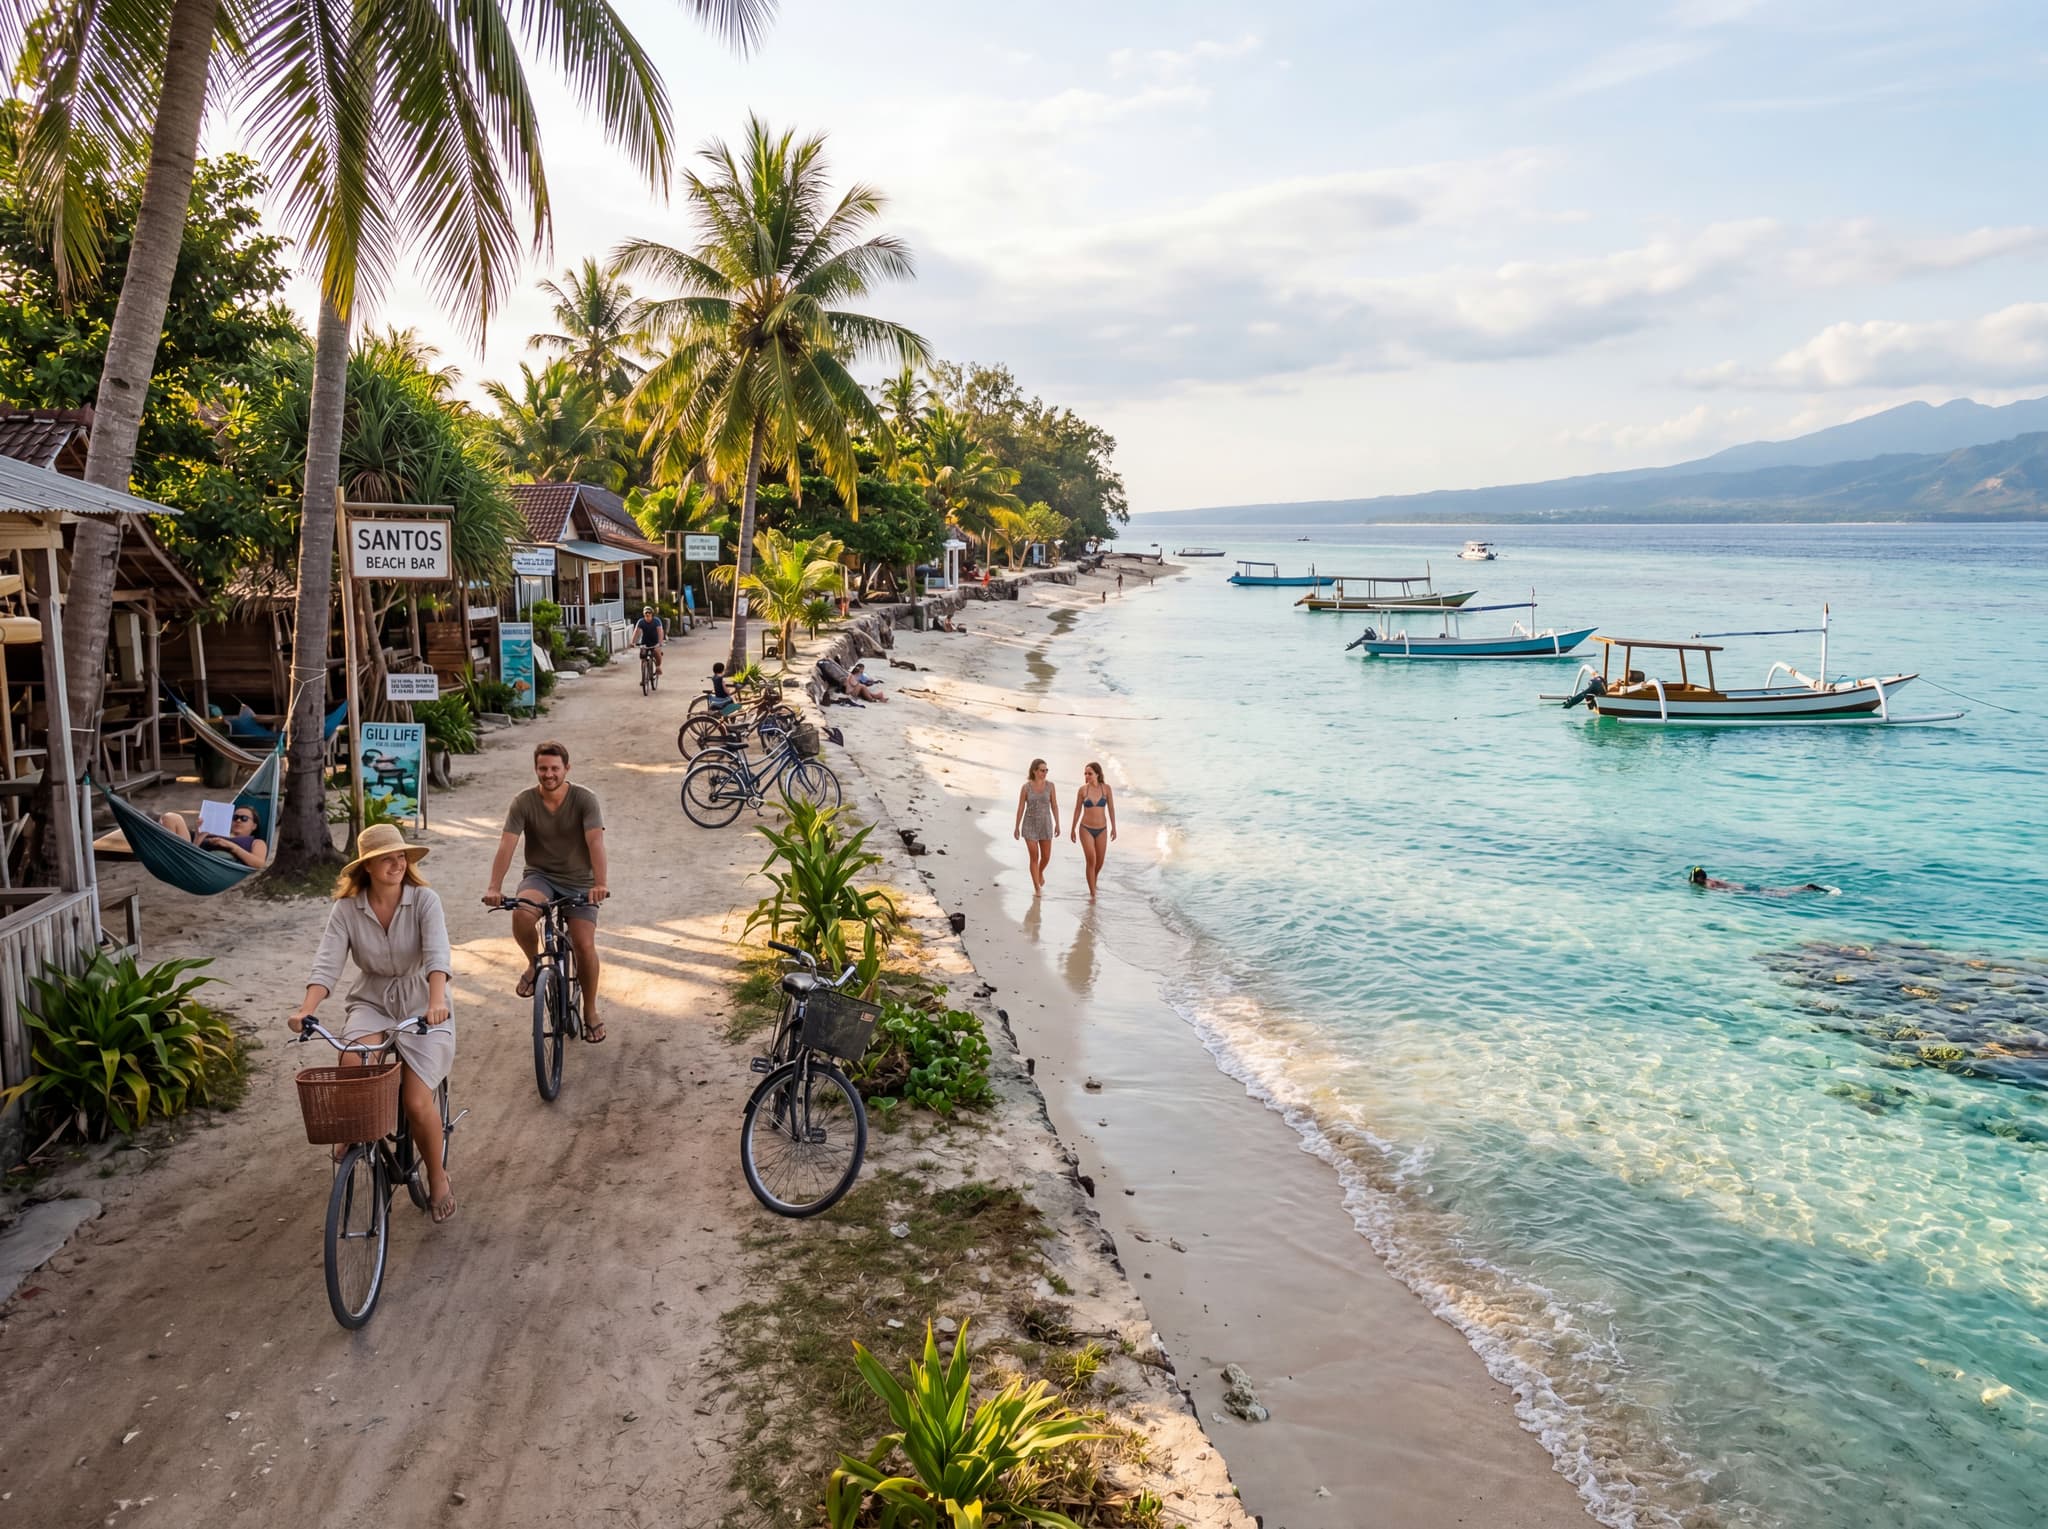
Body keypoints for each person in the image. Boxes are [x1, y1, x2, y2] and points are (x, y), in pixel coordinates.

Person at [288, 823, 456, 1222]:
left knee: (416, 1101)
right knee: (352, 1061)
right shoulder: (347, 909)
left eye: (401, 857)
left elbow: (437, 957)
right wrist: (305, 1008)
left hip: (423, 1000)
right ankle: (356, 1130)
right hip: (373, 998)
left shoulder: (425, 901)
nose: (397, 864)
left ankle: (438, 1175)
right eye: (387, 858)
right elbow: (327, 963)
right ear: (367, 867)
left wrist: (436, 1003)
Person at [484, 741, 612, 1041]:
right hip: (540, 876)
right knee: (522, 914)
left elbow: (596, 842)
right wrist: (494, 887)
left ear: (567, 768)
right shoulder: (523, 802)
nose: (549, 774)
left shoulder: (585, 800)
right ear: (535, 769)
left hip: (580, 880)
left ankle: (590, 1010)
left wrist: (600, 884)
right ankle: (533, 963)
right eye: (543, 768)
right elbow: (507, 844)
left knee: (583, 943)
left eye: (555, 768)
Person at [158, 804, 267, 869]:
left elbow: (258, 864)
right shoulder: (216, 831)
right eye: (235, 817)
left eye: (244, 818)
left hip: (203, 867)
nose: (238, 820)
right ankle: (167, 859)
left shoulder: (256, 842)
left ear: (254, 826)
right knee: (170, 818)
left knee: (172, 818)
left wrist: (231, 846)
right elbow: (193, 847)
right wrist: (198, 836)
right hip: (188, 855)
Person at [1068, 761, 1117, 899]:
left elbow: (1111, 809)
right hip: (1086, 829)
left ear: (1097, 774)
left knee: (1099, 862)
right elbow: (1077, 810)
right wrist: (1072, 828)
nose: (1087, 776)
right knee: (1091, 860)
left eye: (1090, 773)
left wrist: (1114, 827)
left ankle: (1093, 880)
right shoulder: (1083, 790)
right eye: (1085, 773)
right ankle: (1093, 895)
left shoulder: (1106, 789)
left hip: (1102, 829)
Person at [1013, 757, 1058, 895]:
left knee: (1046, 856)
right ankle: (1037, 888)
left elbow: (1054, 805)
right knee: (1034, 857)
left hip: (1046, 824)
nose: (1045, 773)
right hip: (1029, 824)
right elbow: (1021, 807)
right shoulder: (1026, 787)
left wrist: (1058, 824)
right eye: (1042, 770)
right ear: (1034, 771)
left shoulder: (1050, 786)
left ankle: (1039, 872)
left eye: (1046, 770)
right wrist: (1016, 826)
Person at [1689, 866, 1830, 896]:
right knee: (1771, 890)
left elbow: (1722, 890)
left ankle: (1806, 887)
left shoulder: (1709, 884)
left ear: (1699, 878)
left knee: (1774, 893)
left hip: (1740, 889)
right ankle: (1804, 887)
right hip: (1741, 885)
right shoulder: (1711, 879)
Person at [632, 605, 666, 675]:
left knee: (657, 652)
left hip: (655, 641)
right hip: (645, 641)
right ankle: (643, 676)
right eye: (646, 613)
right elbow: (636, 632)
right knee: (643, 657)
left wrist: (659, 643)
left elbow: (660, 632)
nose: (647, 614)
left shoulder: (656, 621)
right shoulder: (641, 622)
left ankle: (658, 667)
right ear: (644, 614)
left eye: (649, 613)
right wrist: (633, 642)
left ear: (652, 614)